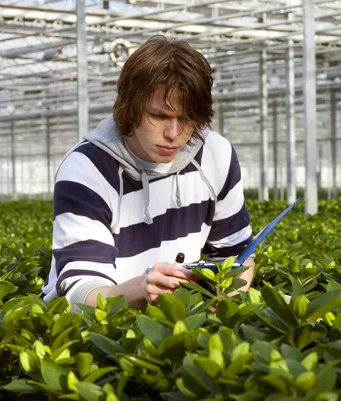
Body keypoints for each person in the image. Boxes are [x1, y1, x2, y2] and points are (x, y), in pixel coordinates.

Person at [41, 35, 254, 310]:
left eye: (187, 118)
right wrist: (141, 289)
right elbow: (81, 292)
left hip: (173, 318)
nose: (174, 134)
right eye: (159, 116)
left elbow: (237, 253)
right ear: (129, 107)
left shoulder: (216, 154)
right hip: (95, 327)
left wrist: (227, 302)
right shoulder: (87, 169)